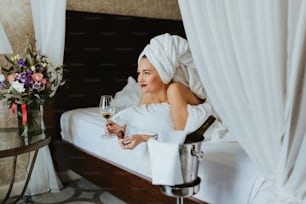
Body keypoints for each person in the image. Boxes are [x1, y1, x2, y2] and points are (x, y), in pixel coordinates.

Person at [105, 33, 207, 149]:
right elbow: (145, 124)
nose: (140, 79)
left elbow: (180, 138)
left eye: (147, 73)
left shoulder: (175, 90)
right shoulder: (148, 94)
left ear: (164, 73)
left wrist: (144, 138)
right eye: (139, 73)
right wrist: (122, 130)